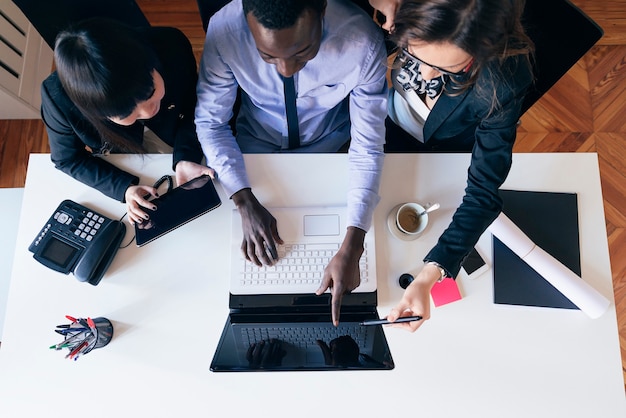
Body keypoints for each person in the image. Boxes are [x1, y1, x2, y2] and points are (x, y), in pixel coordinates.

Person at [195, 0, 388, 326]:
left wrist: (354, 244)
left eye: (303, 52)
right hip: (253, 155)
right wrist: (242, 199)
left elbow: (367, 145)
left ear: (322, 11)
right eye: (267, 56)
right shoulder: (224, 31)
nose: (286, 69)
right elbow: (211, 124)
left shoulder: (362, 42)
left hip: (332, 150)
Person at [368, 0, 534, 331]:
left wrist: (429, 277)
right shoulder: (397, 14)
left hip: (442, 148)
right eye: (415, 55)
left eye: (448, 70)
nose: (426, 75)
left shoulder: (502, 81)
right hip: (380, 124)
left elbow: (483, 193)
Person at [41, 18, 213, 225]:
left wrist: (187, 155)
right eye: (125, 112)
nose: (148, 111)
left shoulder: (170, 44)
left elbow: (196, 103)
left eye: (150, 92)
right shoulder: (57, 99)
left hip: (179, 131)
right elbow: (68, 159)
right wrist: (124, 188)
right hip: (125, 157)